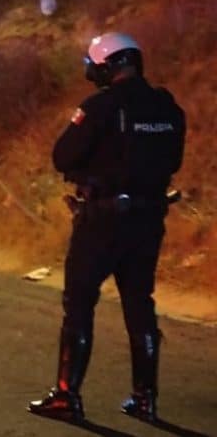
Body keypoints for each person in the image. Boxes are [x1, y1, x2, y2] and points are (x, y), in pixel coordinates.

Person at [28, 33, 186, 424]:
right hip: (149, 220)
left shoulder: (100, 106)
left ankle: (67, 395)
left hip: (102, 221)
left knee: (79, 306)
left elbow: (62, 154)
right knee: (140, 306)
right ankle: (145, 398)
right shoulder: (167, 107)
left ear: (106, 66)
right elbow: (173, 161)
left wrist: (88, 173)